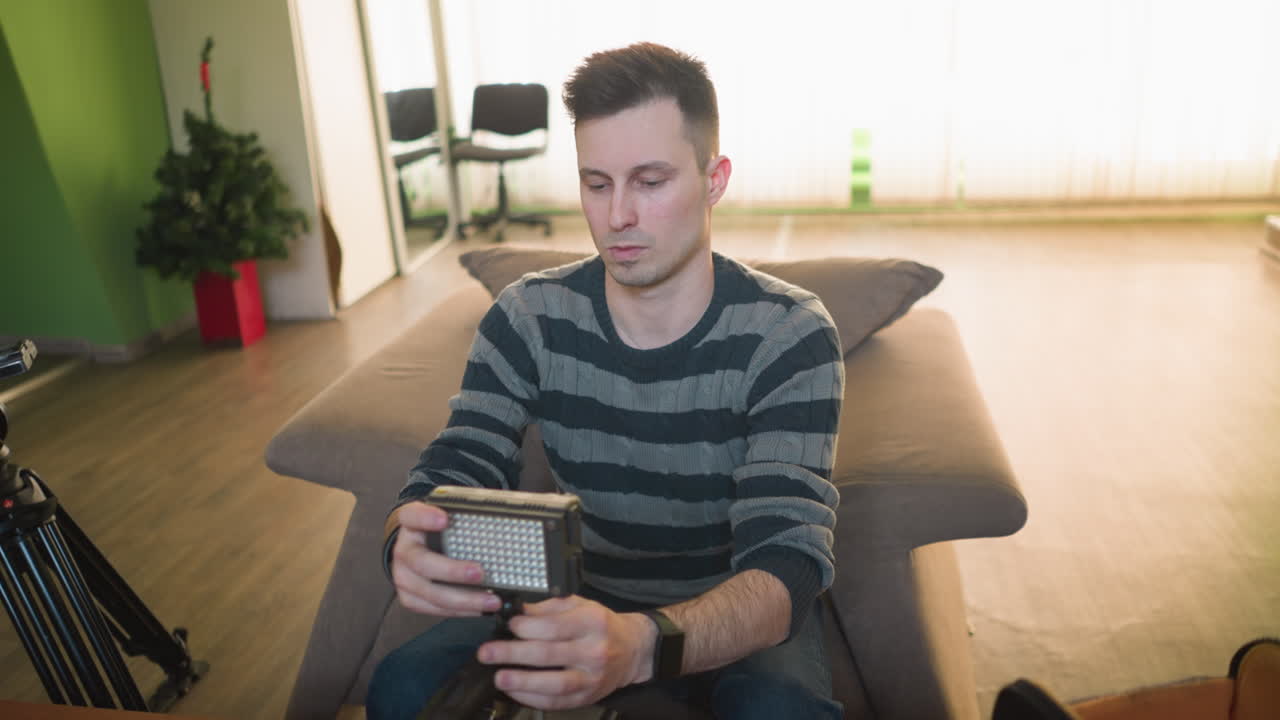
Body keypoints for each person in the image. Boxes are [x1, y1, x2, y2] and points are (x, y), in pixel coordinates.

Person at [367, 42, 845, 720]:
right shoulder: (530, 315)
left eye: (650, 182)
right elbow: (458, 460)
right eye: (597, 183)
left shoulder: (788, 334)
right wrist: (404, 538)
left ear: (714, 179)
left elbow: (786, 565)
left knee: (781, 711)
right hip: (575, 596)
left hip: (730, 607)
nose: (617, 215)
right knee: (404, 686)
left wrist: (642, 645)